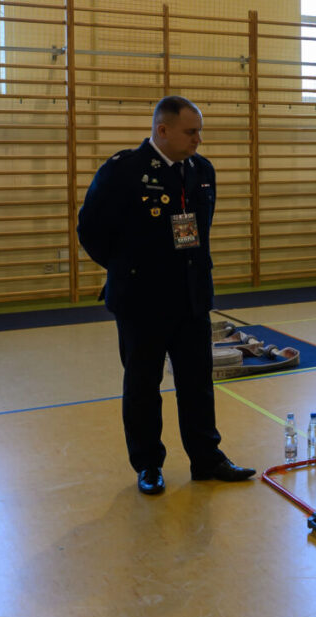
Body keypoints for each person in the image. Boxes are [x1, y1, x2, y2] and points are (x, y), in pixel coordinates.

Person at [77, 95, 255, 495]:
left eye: (200, 132)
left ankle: (207, 458)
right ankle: (148, 465)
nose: (198, 140)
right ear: (163, 130)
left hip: (190, 297)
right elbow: (89, 229)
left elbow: (198, 233)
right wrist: (125, 269)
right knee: (143, 385)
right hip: (141, 301)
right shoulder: (124, 170)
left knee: (197, 383)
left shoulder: (201, 171)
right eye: (191, 132)